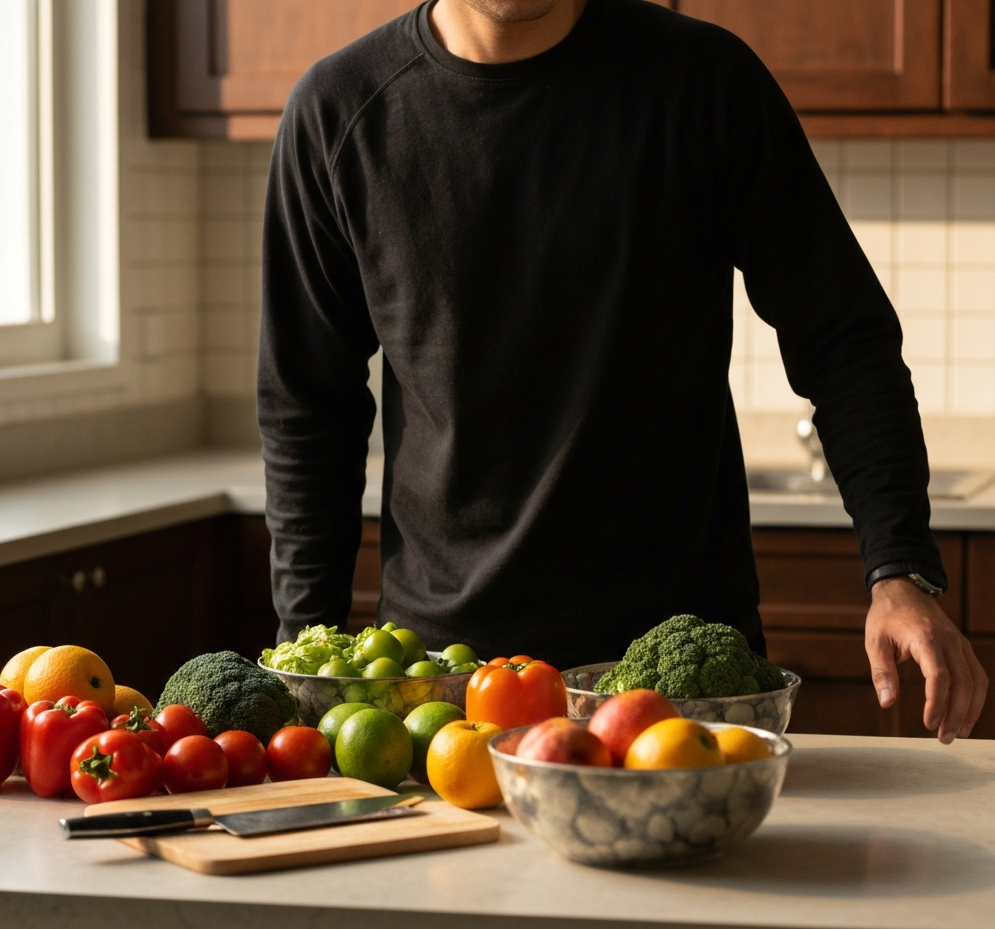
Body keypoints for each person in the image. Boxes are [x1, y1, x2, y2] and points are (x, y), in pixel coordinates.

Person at [258, 0, 988, 743]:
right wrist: (303, 656)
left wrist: (901, 569)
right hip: (440, 684)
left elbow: (843, 338)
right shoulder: (337, 112)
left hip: (683, 680)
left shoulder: (705, 83)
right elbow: (306, 407)